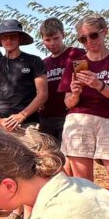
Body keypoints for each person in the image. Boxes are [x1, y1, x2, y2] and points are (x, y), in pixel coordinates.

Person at [58, 15, 109, 208]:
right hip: (79, 120)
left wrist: (98, 84)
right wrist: (75, 94)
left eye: (93, 35)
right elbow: (68, 103)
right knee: (84, 187)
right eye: (82, 39)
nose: (88, 42)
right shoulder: (75, 63)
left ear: (105, 32)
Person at [0, 18, 47, 219]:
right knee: (8, 169)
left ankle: (31, 216)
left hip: (28, 125)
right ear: (0, 40)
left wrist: (22, 115)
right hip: (2, 124)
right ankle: (16, 211)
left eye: (12, 36)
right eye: (4, 36)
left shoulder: (34, 61)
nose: (8, 39)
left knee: (32, 168)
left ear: (19, 38)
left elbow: (42, 94)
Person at [38, 17, 75, 149]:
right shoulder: (43, 63)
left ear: (63, 35)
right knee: (49, 158)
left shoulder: (77, 55)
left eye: (56, 38)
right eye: (47, 40)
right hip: (46, 118)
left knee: (69, 158)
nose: (52, 43)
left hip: (70, 116)